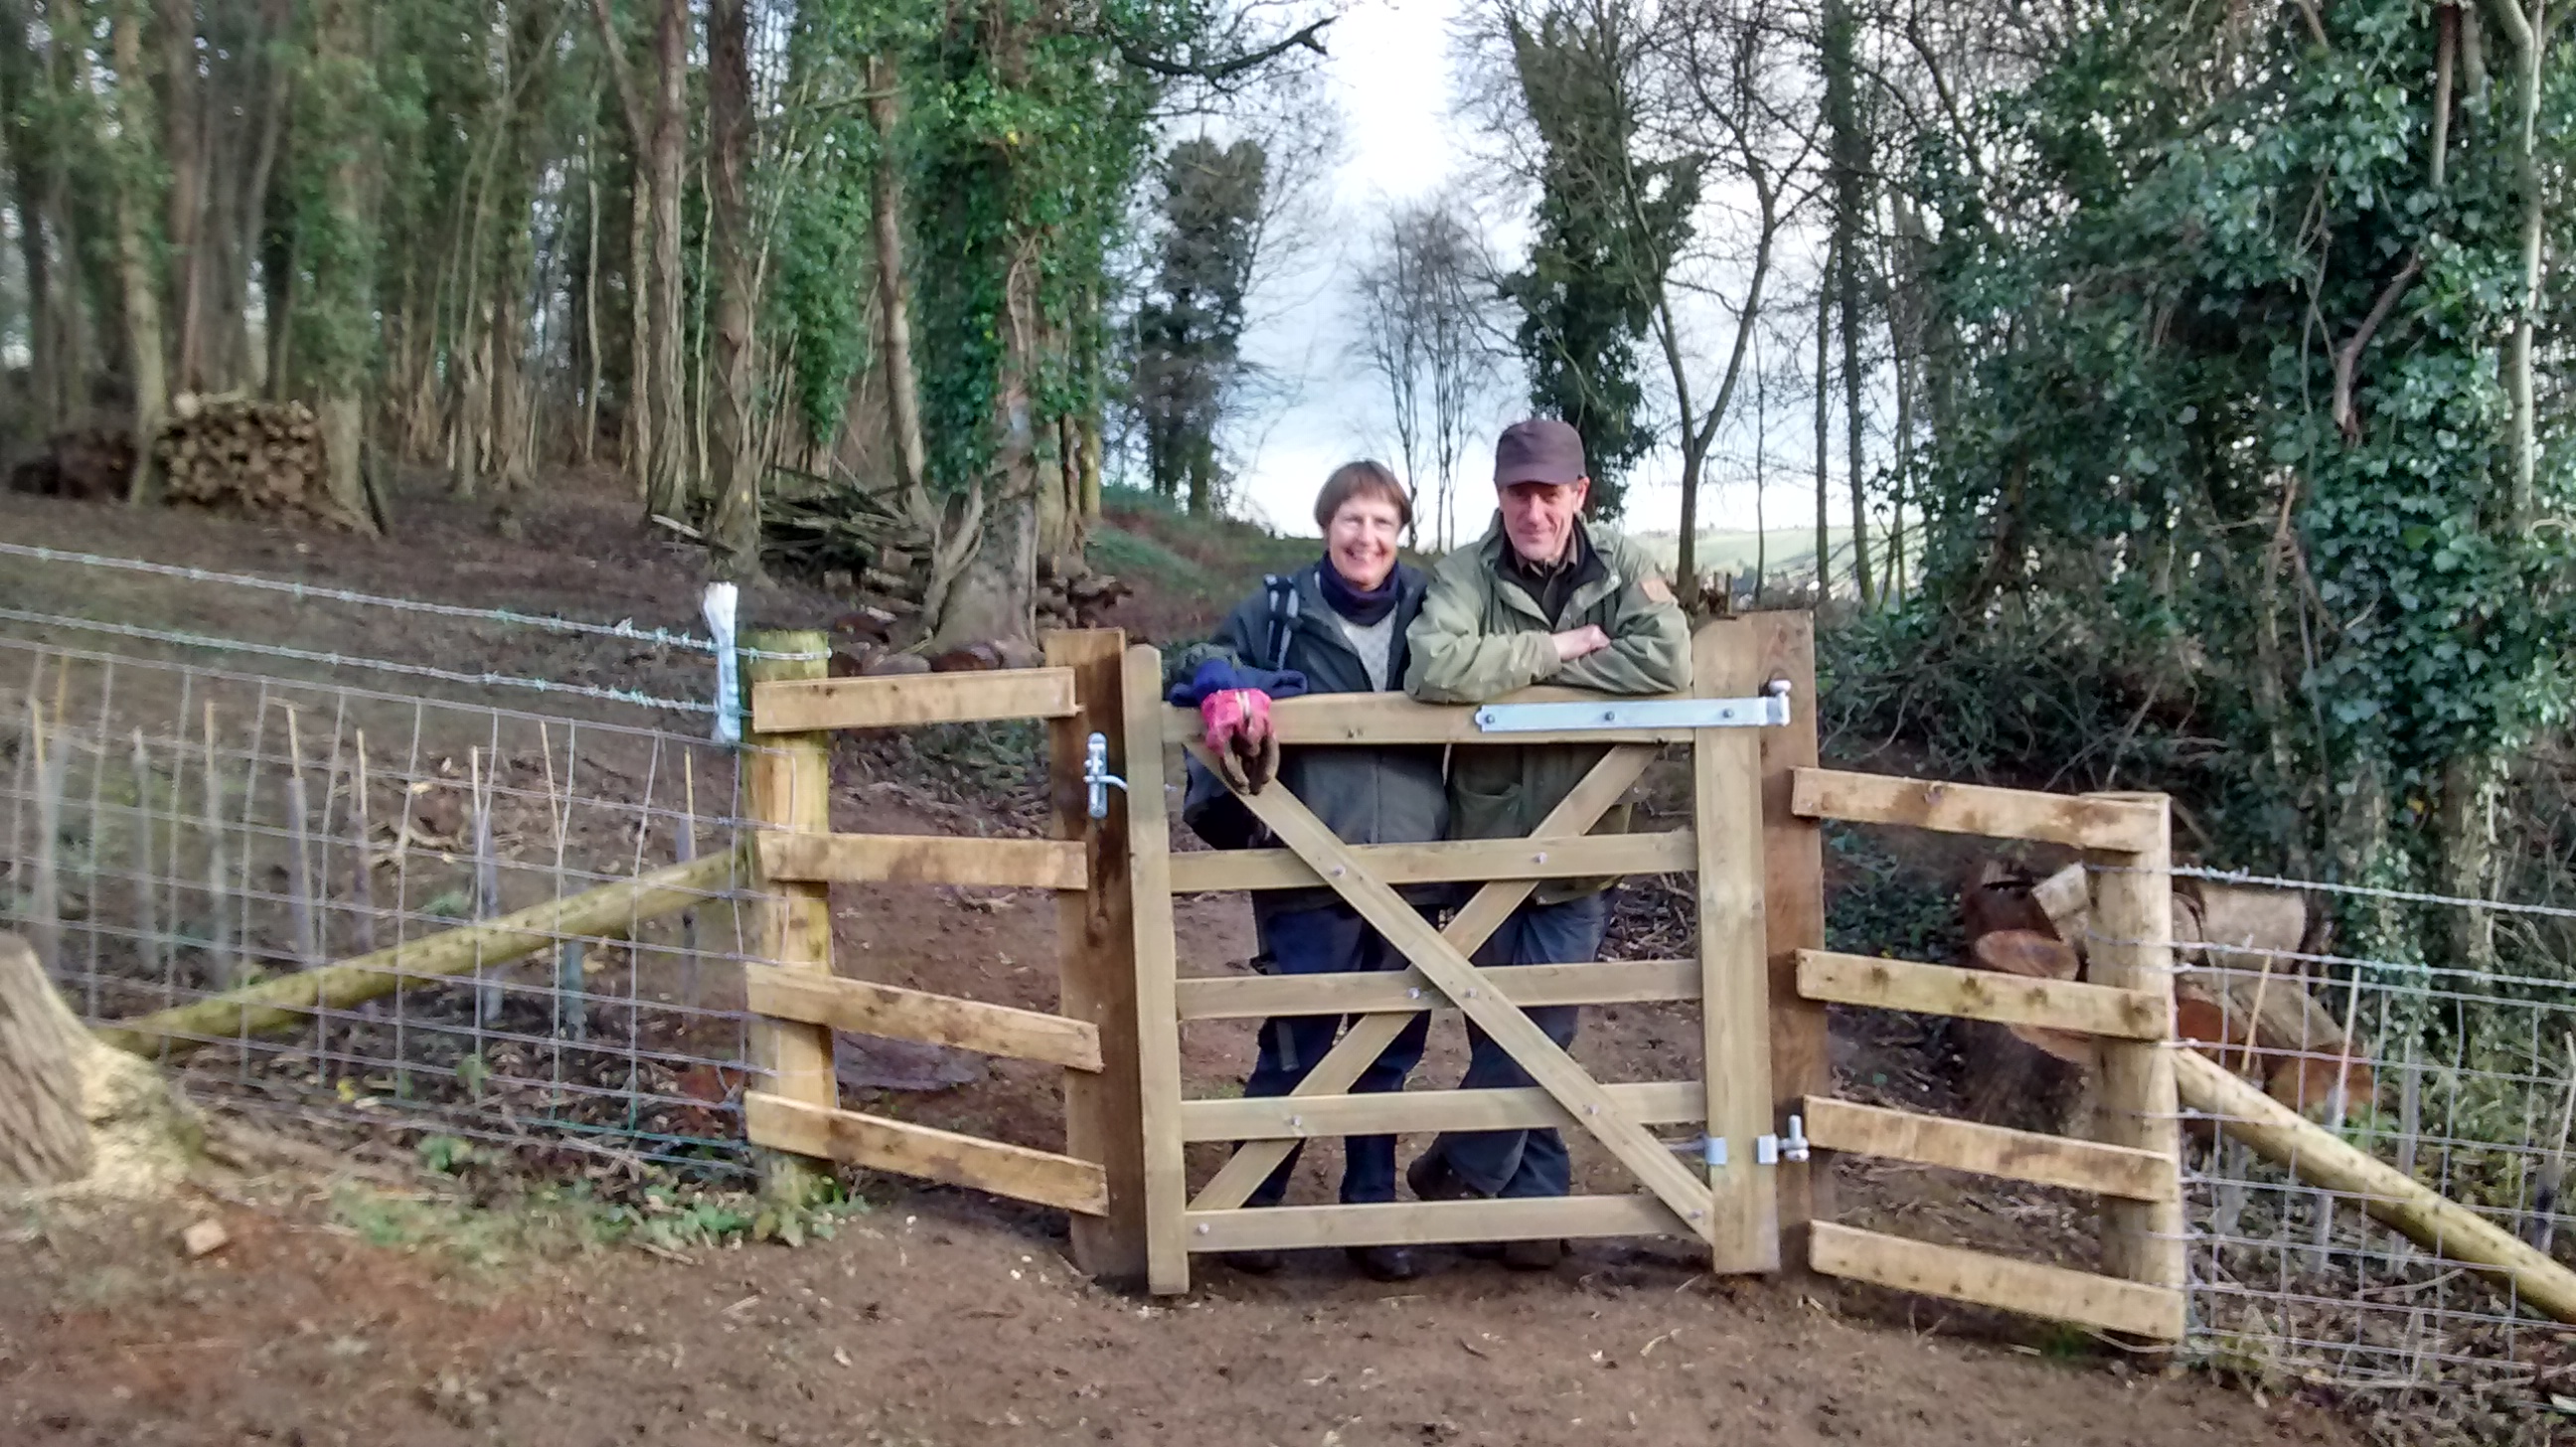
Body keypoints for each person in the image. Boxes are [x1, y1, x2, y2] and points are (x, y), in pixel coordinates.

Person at [1399, 417, 1692, 1270]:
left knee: (1546, 1029)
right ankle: (1533, 1214)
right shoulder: (1464, 571)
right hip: (1487, 837)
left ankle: (1460, 1168)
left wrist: (1518, 672)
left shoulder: (1627, 565)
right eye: (1518, 492)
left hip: (1584, 845)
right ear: (1500, 495)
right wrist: (1561, 648)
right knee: (1504, 1030)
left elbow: (1667, 662)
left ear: (1580, 494)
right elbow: (1433, 669)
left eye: (1549, 492)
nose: (1533, 509)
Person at [1167, 460, 1448, 1283]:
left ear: (1401, 534)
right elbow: (1203, 657)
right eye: (1352, 521)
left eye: (1383, 524)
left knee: (1390, 1042)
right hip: (1305, 859)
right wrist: (1232, 689)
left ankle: (1370, 1212)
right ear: (1327, 525)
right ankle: (1254, 1208)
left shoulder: (1431, 605)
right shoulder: (1283, 606)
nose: (1367, 538)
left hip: (1411, 859)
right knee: (1299, 1035)